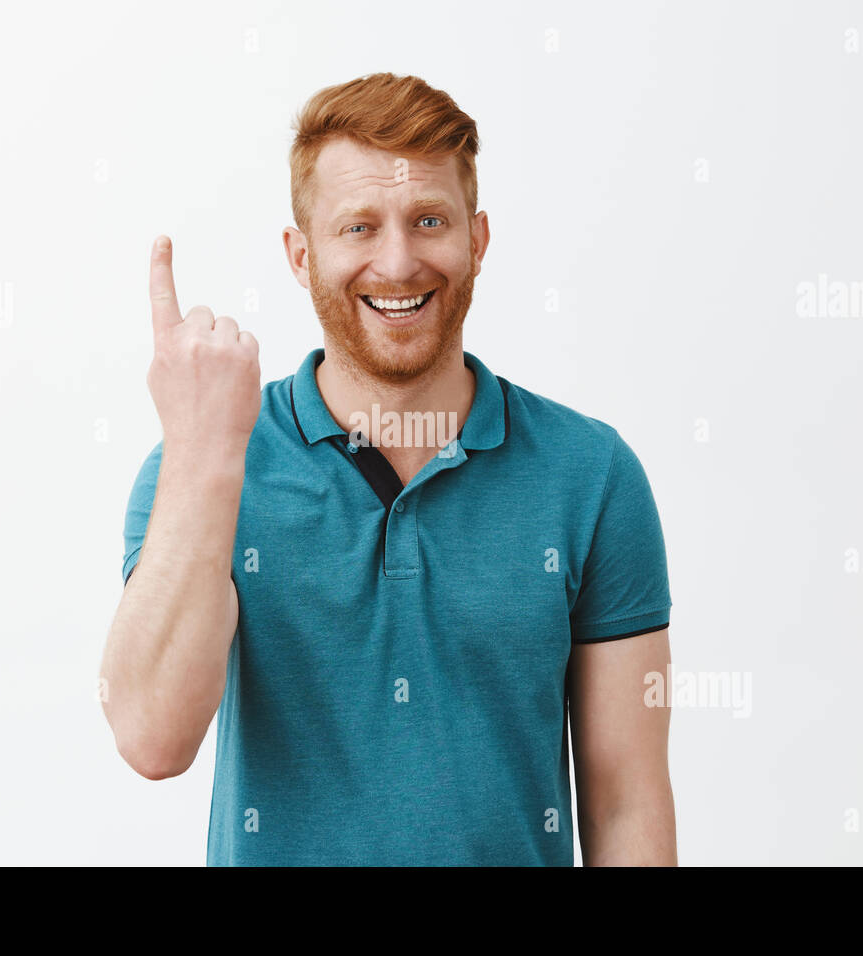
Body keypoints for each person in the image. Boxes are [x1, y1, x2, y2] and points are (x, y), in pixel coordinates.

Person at [99, 72, 675, 866]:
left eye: (428, 220)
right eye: (359, 227)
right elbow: (150, 736)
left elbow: (627, 805)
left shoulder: (593, 475)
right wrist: (204, 453)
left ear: (477, 239)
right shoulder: (197, 466)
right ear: (301, 256)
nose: (398, 263)